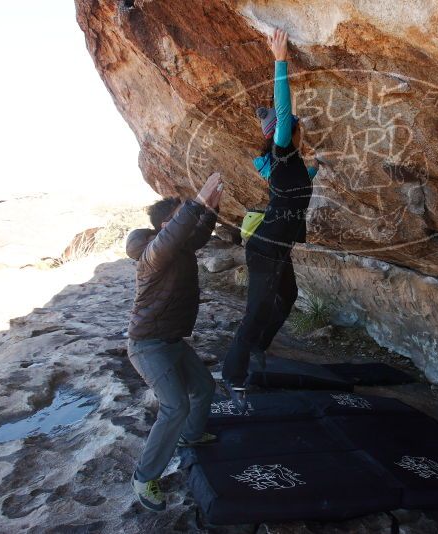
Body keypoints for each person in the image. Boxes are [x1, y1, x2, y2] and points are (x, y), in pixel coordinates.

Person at [222, 29, 316, 410]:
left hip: (277, 248)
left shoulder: (288, 165)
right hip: (265, 249)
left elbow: (299, 184)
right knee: (255, 312)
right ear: (286, 131)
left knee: (287, 298)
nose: (299, 130)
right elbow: (281, 109)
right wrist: (280, 59)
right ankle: (233, 377)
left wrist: (318, 171)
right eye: (295, 127)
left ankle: (257, 351)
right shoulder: (281, 151)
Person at [125, 172, 224, 512]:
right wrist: (195, 202)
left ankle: (191, 437)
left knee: (205, 387)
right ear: (164, 225)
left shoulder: (179, 248)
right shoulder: (154, 255)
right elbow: (178, 232)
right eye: (178, 218)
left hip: (172, 342)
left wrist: (210, 209)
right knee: (175, 406)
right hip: (147, 345)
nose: (186, 224)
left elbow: (196, 233)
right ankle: (143, 477)